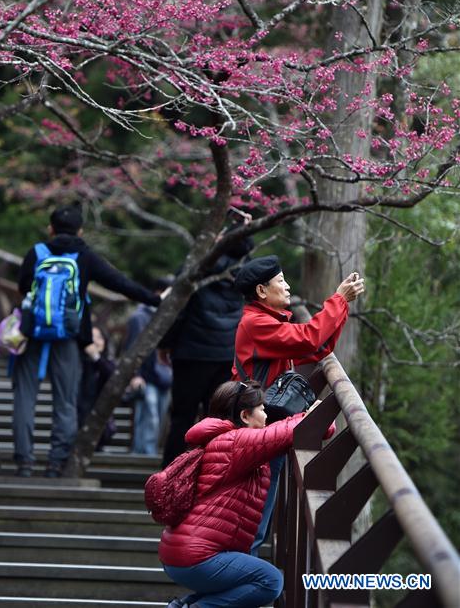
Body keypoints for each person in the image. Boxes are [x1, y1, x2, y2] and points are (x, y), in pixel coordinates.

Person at [14, 202, 164, 478]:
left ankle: (24, 462)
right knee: (65, 402)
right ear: (80, 231)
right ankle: (55, 463)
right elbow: (119, 282)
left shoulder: (36, 253)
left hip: (32, 334)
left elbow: (24, 287)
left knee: (25, 398)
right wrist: (154, 299)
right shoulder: (84, 256)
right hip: (69, 338)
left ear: (50, 228)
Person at [232, 254, 365, 556]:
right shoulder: (256, 324)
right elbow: (308, 339)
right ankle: (240, 575)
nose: (288, 287)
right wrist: (338, 300)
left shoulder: (264, 321)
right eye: (281, 281)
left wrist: (341, 305)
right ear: (261, 291)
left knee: (258, 517)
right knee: (254, 522)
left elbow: (318, 347)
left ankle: (242, 571)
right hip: (259, 432)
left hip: (265, 426)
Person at [159, 380, 334, 608]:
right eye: (262, 409)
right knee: (270, 581)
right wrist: (316, 414)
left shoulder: (229, 441)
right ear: (244, 416)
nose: (267, 415)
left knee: (238, 587)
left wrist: (320, 419)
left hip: (184, 553)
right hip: (195, 557)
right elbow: (287, 431)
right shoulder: (235, 442)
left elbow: (307, 431)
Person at [160, 233, 254, 468]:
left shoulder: (200, 265)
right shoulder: (245, 270)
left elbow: (177, 305)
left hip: (191, 352)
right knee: (218, 419)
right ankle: (210, 474)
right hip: (226, 353)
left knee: (182, 417)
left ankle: (171, 474)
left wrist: (166, 343)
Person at [123, 281, 173, 455]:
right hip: (146, 374)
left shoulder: (168, 315)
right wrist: (135, 374)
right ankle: (144, 454)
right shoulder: (139, 317)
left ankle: (145, 452)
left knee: (157, 418)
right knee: (149, 416)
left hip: (165, 376)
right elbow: (132, 348)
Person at [78, 324, 116, 451]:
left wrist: (96, 357)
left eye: (99, 337)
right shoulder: (78, 364)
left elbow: (113, 376)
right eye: (91, 337)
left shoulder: (108, 364)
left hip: (100, 423)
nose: (94, 341)